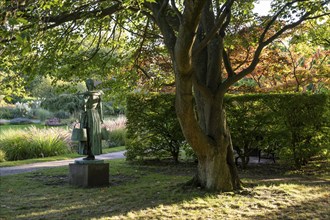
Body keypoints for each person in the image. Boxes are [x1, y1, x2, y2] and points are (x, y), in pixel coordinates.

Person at [78, 79, 103, 160]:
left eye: (88, 84)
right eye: (87, 84)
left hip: (89, 116)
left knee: (89, 135)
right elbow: (100, 108)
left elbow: (83, 107)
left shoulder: (91, 94)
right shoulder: (97, 94)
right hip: (95, 116)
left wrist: (84, 100)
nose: (88, 85)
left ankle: (90, 154)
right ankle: (90, 154)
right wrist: (101, 118)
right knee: (90, 135)